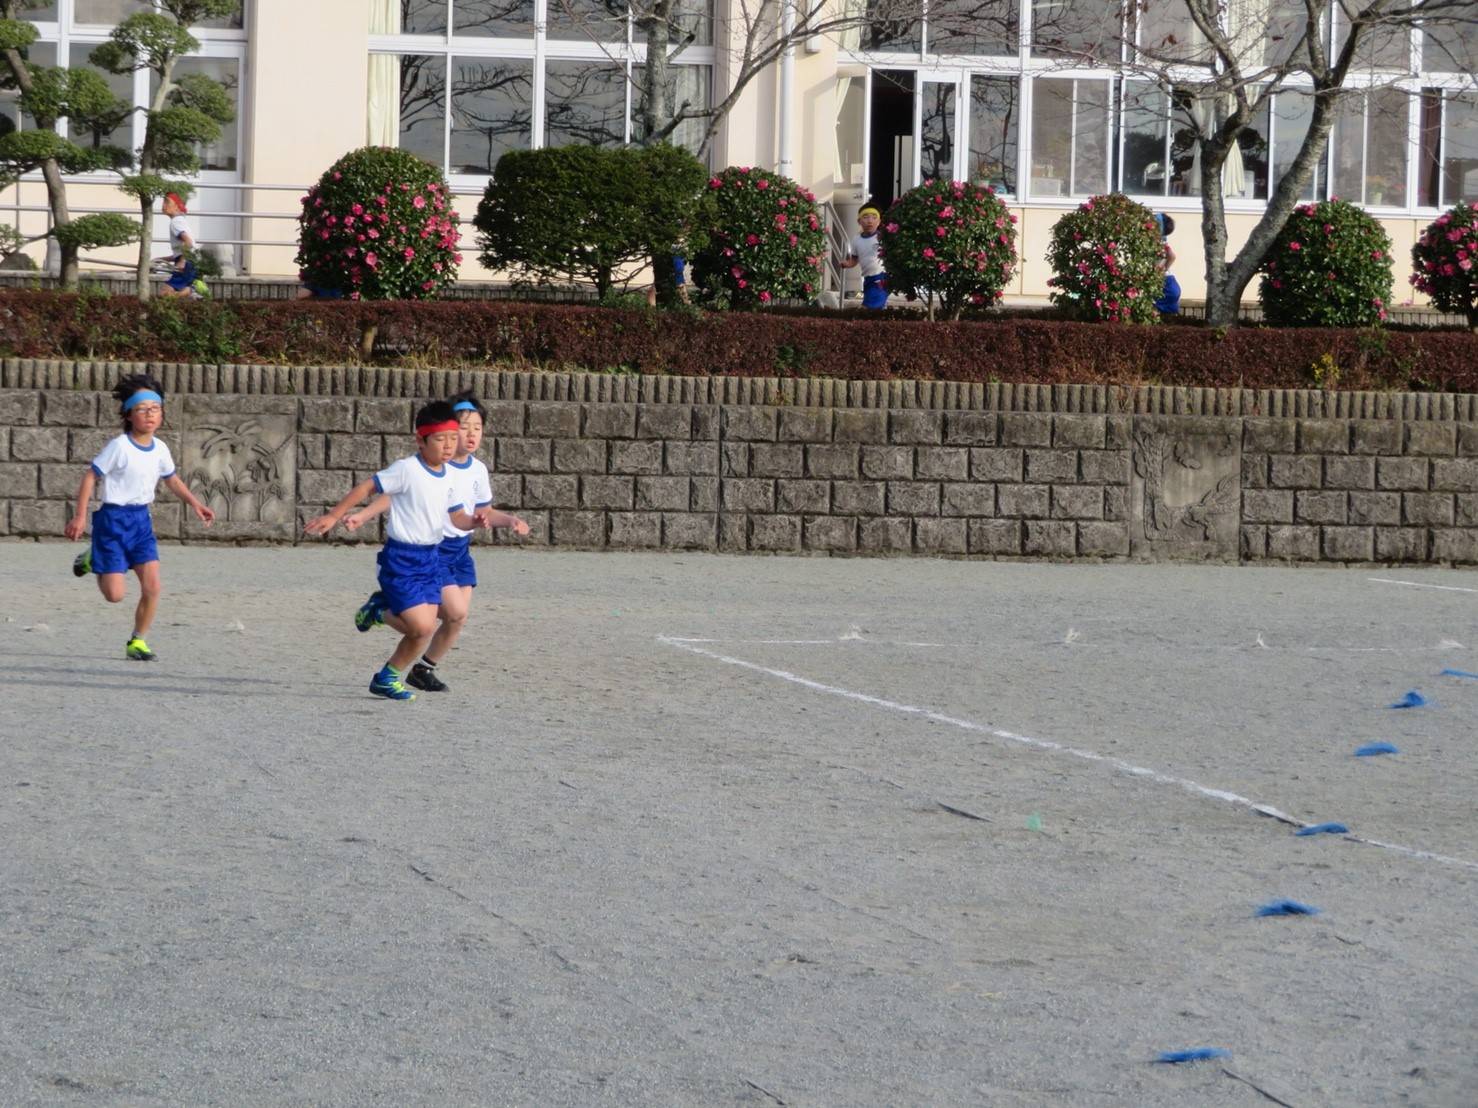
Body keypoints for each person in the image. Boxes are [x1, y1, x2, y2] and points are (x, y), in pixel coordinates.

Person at [303, 400, 522, 701]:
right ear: (421, 440)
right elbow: (370, 488)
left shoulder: (450, 476)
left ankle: (388, 677)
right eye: (442, 439)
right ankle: (379, 611)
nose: (449, 446)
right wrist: (334, 515)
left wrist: (476, 520)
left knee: (427, 628)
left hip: (432, 558)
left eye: (451, 438)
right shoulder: (406, 469)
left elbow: (457, 516)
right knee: (422, 625)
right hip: (402, 558)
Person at [64, 373, 216, 661]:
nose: (150, 415)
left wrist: (195, 503)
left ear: (162, 413)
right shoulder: (119, 447)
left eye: (155, 409)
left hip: (140, 522)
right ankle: (92, 557)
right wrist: (80, 517)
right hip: (112, 521)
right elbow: (90, 477)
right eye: (142, 409)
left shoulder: (160, 448)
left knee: (153, 586)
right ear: (129, 414)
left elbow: (171, 480)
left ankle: (137, 641)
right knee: (114, 596)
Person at [156, 192, 210, 299]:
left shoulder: (175, 222)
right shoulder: (179, 221)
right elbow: (182, 250)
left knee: (164, 294)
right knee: (168, 294)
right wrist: (161, 259)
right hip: (191, 262)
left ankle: (191, 291)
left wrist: (182, 261)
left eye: (167, 202)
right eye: (163, 202)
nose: (163, 205)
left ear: (176, 207)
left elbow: (188, 242)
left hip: (187, 263)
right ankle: (192, 292)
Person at [839, 205, 888, 310]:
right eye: (866, 217)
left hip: (881, 277)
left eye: (874, 217)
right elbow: (854, 259)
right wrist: (847, 264)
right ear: (859, 221)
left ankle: (861, 320)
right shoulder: (856, 240)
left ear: (879, 222)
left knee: (869, 306)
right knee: (876, 307)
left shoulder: (882, 238)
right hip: (867, 278)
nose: (870, 221)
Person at [1154, 212, 1181, 315]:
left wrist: (1161, 270)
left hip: (1166, 286)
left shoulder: (1159, 243)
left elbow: (1172, 256)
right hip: (1170, 284)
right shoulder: (1162, 241)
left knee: (1152, 312)